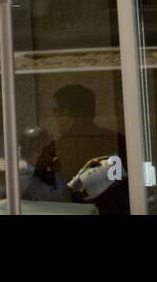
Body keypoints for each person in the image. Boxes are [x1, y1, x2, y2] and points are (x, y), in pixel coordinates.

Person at [52, 84, 129, 214]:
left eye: (55, 111)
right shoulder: (116, 140)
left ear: (67, 113)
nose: (55, 117)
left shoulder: (59, 148)